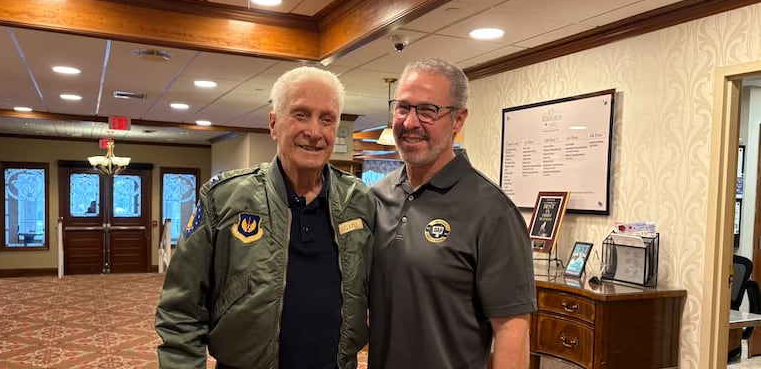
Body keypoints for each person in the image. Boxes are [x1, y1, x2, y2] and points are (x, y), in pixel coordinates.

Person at [155, 66, 375, 369]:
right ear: (273, 124)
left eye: (327, 119)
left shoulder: (360, 201)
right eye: (300, 114)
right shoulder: (223, 198)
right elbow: (181, 312)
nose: (314, 132)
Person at [368, 58, 537, 369]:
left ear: (458, 119)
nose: (410, 122)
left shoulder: (493, 210)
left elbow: (512, 328)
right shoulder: (377, 197)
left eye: (428, 110)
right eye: (403, 107)